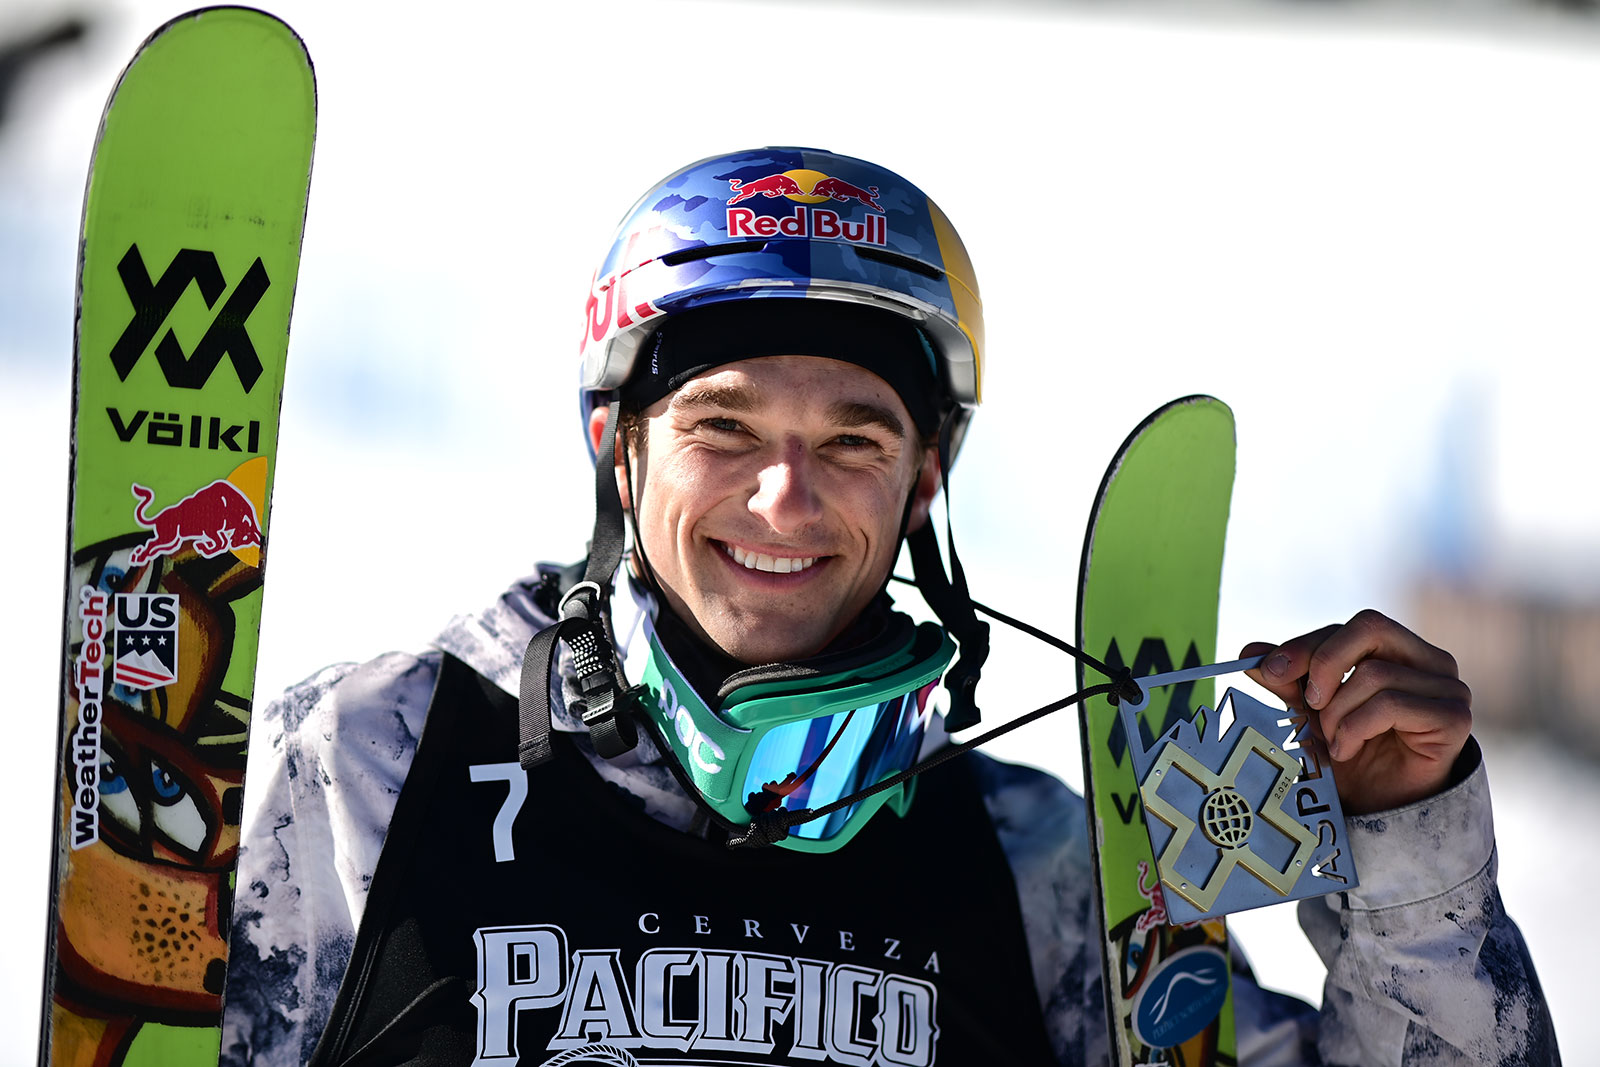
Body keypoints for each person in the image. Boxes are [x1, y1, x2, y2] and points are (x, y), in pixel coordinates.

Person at [219, 148, 1558, 1066]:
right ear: (619, 450)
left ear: (927, 478)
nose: (786, 495)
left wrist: (1408, 856)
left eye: (854, 439)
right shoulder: (366, 770)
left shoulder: (1037, 871)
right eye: (723, 425)